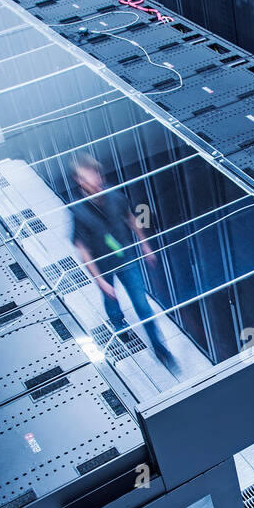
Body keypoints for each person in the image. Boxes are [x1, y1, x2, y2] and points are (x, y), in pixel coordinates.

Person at [68, 153, 177, 373]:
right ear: (80, 182)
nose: (97, 182)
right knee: (110, 300)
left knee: (142, 304)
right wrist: (100, 282)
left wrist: (145, 245)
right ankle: (119, 325)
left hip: (126, 258)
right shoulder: (78, 211)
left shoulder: (115, 195)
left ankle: (160, 348)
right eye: (90, 179)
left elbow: (130, 218)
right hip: (103, 265)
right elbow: (83, 250)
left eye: (97, 176)